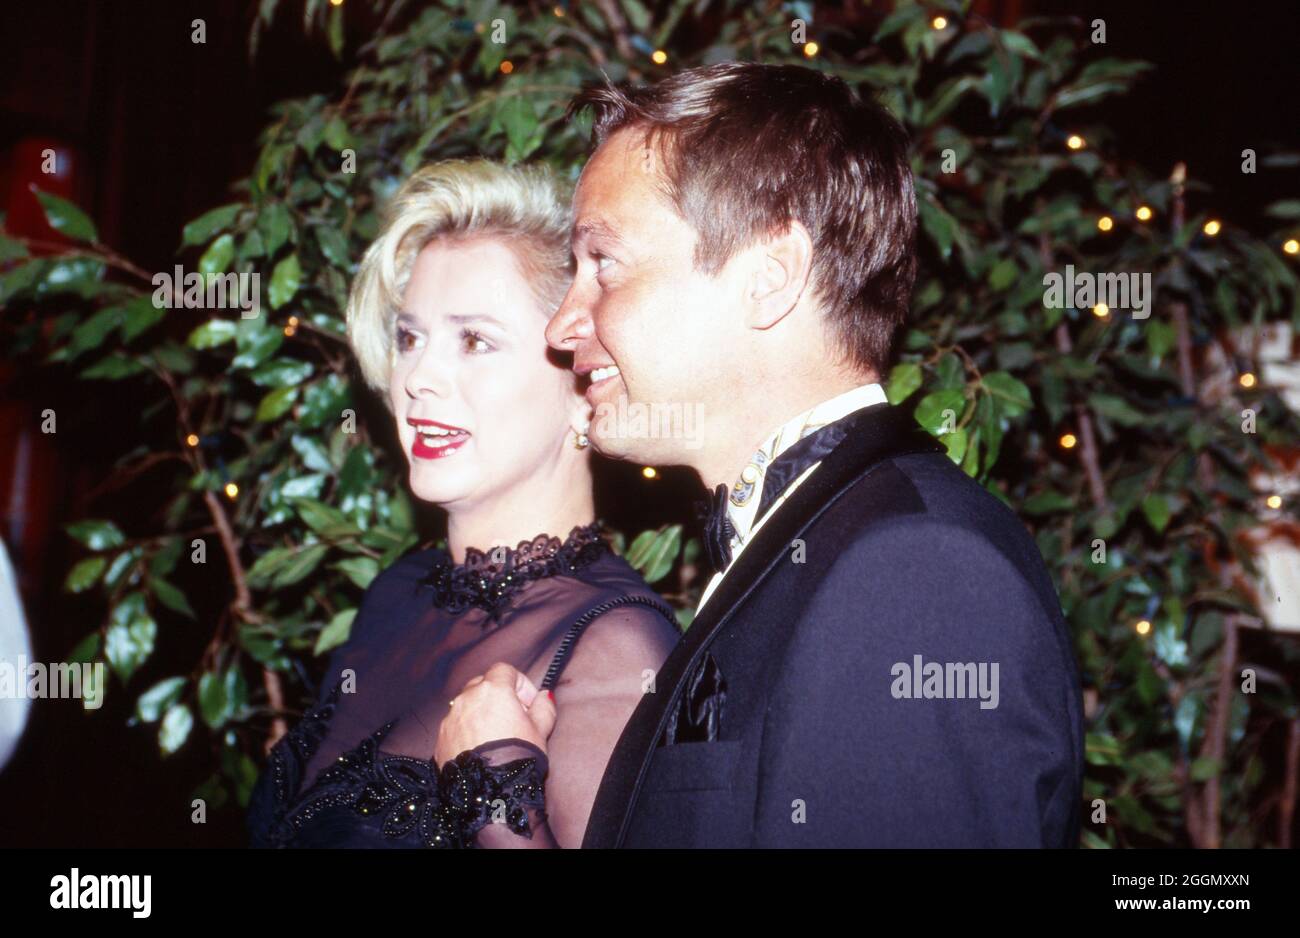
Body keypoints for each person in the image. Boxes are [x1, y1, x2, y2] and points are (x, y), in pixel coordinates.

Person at [443, 63, 1086, 847]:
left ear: (769, 276)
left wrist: (493, 797)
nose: (563, 325)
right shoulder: (817, 542)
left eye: (602, 264)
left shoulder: (917, 571)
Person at [246, 159, 680, 848]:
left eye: (474, 339)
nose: (419, 377)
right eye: (410, 338)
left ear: (583, 384)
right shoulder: (398, 593)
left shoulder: (615, 647)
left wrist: (491, 773)